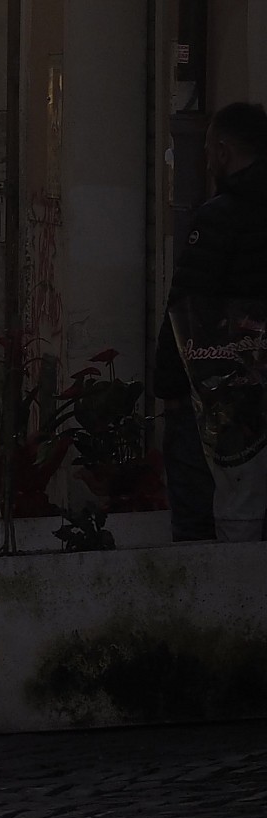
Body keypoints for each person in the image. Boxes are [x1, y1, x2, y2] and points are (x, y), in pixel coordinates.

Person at [156, 102, 267, 542]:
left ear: (222, 151)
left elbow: (187, 305)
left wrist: (170, 387)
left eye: (206, 150)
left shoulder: (220, 217)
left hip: (219, 391)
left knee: (199, 520)